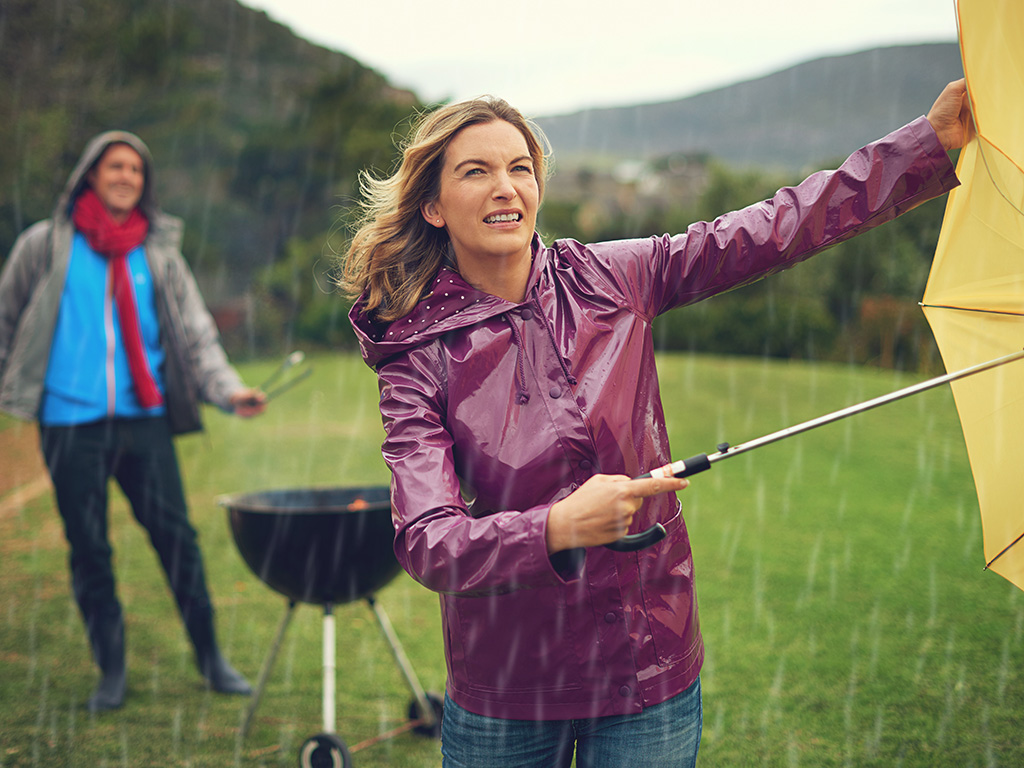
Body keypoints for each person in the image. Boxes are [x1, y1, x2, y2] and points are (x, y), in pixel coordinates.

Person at [341, 80, 973, 767]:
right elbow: (429, 541)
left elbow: (775, 227)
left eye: (520, 168)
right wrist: (557, 529)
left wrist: (922, 147)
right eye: (477, 171)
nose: (506, 187)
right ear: (432, 206)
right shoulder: (415, 356)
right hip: (507, 688)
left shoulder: (613, 278)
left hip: (649, 665)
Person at [0, 131, 268, 712]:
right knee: (89, 548)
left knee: (178, 541)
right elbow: (7, 319)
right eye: (115, 166)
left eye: (136, 170)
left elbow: (195, 335)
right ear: (90, 175)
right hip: (69, 424)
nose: (126, 176)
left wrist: (227, 391)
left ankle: (212, 658)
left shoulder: (158, 255)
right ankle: (112, 670)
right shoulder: (45, 246)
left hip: (144, 422)